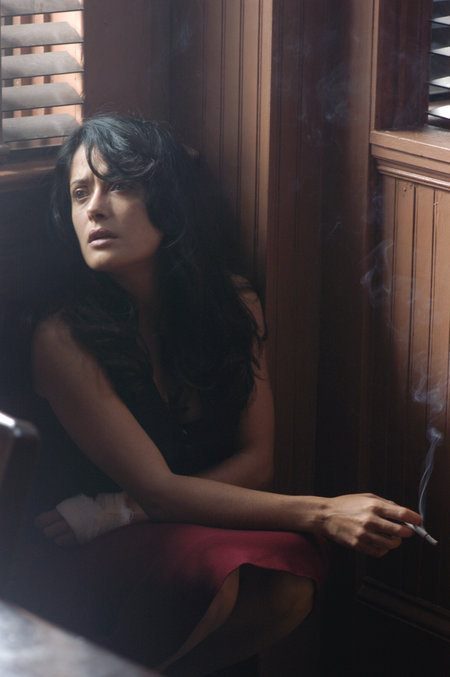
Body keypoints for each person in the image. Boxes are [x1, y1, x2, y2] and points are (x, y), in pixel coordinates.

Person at [7, 114, 421, 676]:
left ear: (169, 197)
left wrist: (120, 511)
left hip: (148, 523)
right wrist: (325, 512)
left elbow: (258, 462)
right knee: (214, 576)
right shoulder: (62, 336)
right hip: (63, 549)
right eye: (80, 193)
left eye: (119, 185)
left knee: (286, 580)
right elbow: (157, 489)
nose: (94, 209)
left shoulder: (232, 302)